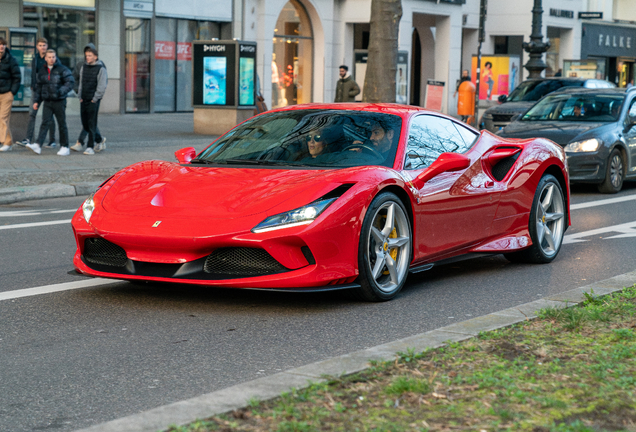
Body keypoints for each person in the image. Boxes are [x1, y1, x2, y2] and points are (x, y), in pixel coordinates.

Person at [26, 49, 74, 155]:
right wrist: (36, 101)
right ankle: (38, 145)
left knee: (62, 123)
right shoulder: (43, 71)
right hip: (47, 101)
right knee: (45, 123)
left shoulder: (62, 69)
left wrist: (60, 92)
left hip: (59, 101)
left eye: (53, 57)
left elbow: (70, 82)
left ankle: (65, 146)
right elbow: (39, 87)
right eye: (49, 57)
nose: (52, 59)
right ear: (46, 58)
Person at [17, 37, 56, 148]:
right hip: (37, 90)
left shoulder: (50, 58)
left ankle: (52, 140)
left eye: (44, 45)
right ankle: (28, 139)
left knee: (50, 116)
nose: (42, 47)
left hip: (48, 90)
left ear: (47, 46)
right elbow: (34, 73)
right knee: (32, 114)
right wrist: (33, 85)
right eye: (40, 45)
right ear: (37, 47)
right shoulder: (35, 59)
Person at [71, 43, 107, 155]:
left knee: (92, 122)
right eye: (86, 55)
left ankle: (89, 146)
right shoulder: (83, 66)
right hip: (84, 98)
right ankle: (100, 140)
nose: (88, 57)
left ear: (95, 56)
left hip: (93, 99)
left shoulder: (100, 67)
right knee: (85, 122)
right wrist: (79, 95)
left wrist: (95, 98)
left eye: (90, 55)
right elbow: (80, 82)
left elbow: (102, 84)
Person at [0, 37, 22, 152]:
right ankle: (8, 142)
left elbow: (17, 77)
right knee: (2, 120)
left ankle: (6, 143)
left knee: (2, 118)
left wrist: (12, 92)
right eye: (0, 44)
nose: (1, 46)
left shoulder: (10, 59)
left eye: (3, 44)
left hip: (6, 94)